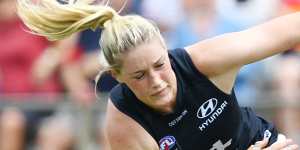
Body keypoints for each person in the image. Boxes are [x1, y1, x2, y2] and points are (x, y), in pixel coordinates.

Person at [16, 0, 299, 149]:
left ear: (166, 49)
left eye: (160, 65)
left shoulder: (203, 62)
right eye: (139, 76)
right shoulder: (125, 122)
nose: (157, 82)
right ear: (118, 75)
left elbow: (286, 30)